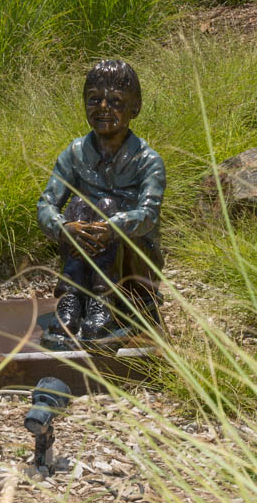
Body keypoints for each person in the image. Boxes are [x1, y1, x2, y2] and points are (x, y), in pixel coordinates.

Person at [36, 59, 166, 344]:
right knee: (79, 209)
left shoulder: (148, 161)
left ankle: (104, 301)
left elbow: (148, 215)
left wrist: (113, 225)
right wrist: (63, 227)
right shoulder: (75, 153)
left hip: (134, 264)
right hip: (83, 259)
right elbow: (46, 203)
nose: (103, 108)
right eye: (94, 99)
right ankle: (73, 298)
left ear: (135, 107)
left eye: (116, 101)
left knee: (105, 207)